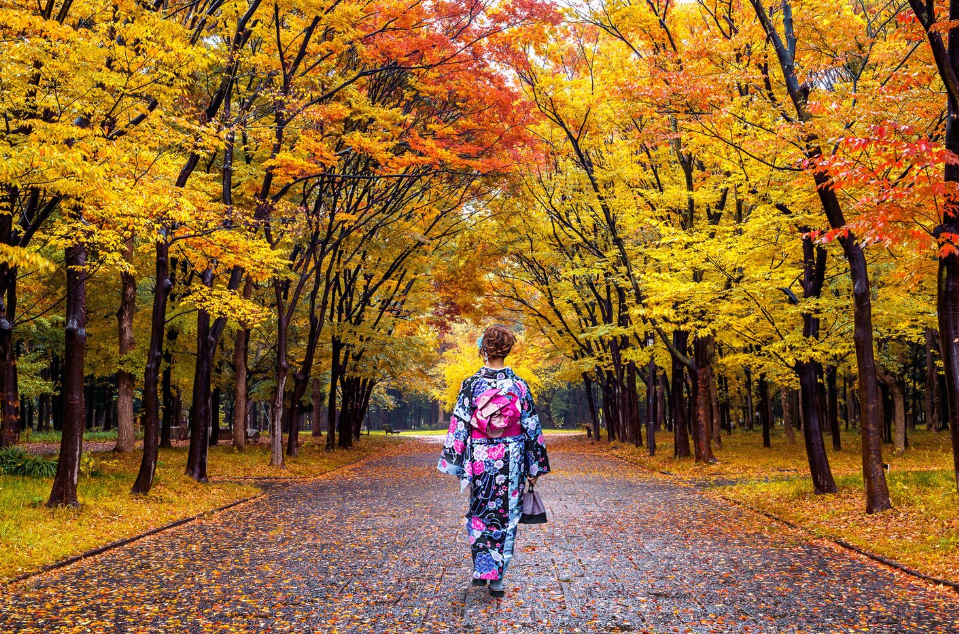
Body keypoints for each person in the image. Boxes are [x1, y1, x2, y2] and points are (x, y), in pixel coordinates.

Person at [437, 325, 550, 598]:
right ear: (508, 349)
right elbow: (530, 426)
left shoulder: (471, 384)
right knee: (508, 515)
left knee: (480, 512)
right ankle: (497, 578)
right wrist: (533, 467)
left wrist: (456, 462)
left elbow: (460, 425)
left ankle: (483, 569)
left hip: (481, 456)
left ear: (484, 349)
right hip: (511, 457)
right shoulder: (519, 385)